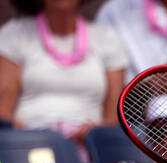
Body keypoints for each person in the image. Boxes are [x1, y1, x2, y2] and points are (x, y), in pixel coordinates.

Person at [0, 0, 126, 151]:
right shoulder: (14, 34)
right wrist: (25, 137)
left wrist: (93, 132)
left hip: (91, 148)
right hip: (28, 144)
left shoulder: (107, 39)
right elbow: (3, 111)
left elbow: (113, 118)